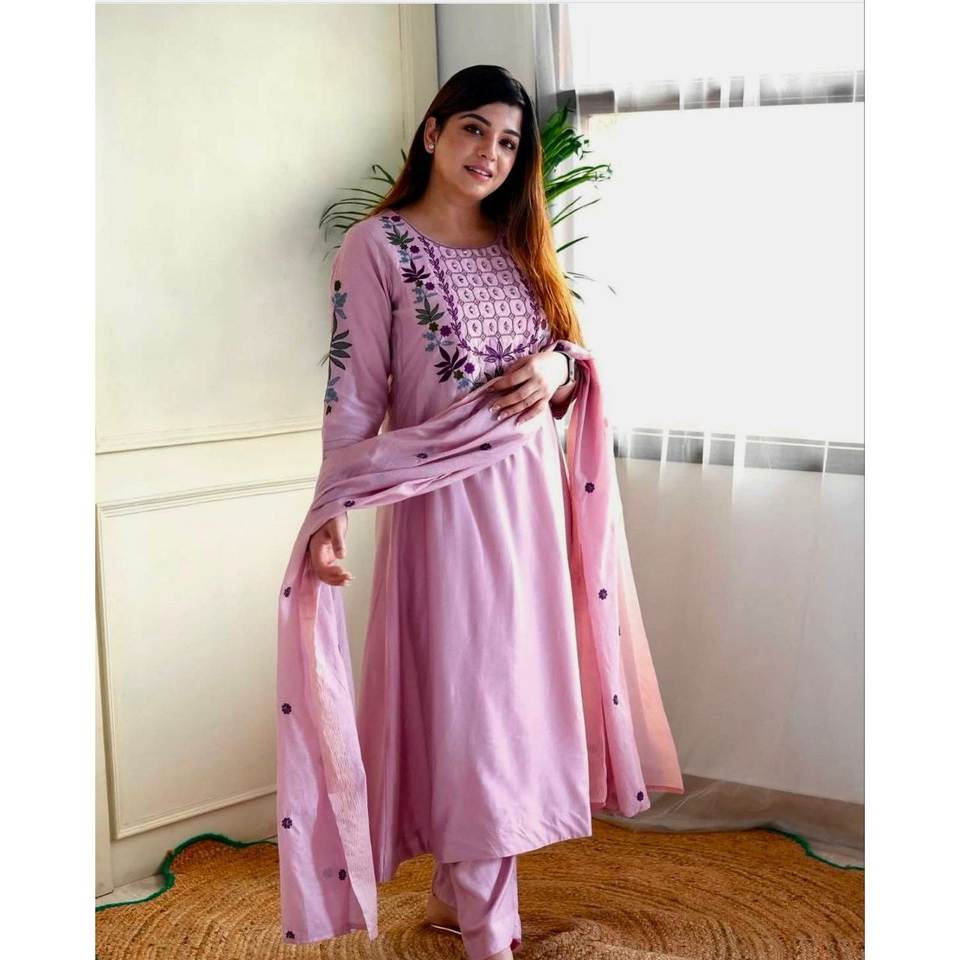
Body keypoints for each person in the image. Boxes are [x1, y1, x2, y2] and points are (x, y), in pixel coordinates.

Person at [275, 64, 683, 960]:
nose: (489, 154)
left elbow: (567, 361)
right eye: (472, 130)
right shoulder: (377, 248)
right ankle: (490, 935)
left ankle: (455, 899)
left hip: (531, 511)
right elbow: (354, 395)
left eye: (507, 141)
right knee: (472, 714)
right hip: (444, 517)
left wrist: (558, 366)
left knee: (510, 709)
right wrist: (332, 508)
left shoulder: (517, 241)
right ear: (432, 132)